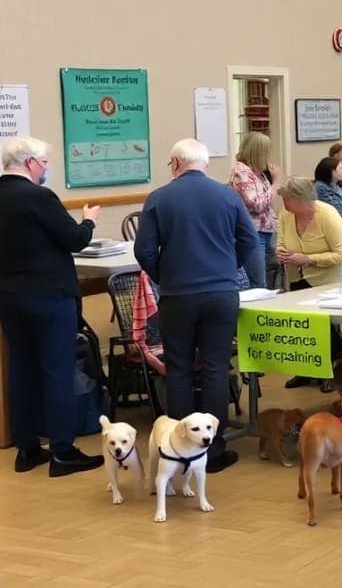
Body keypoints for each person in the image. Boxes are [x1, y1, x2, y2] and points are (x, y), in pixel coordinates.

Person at [135, 139, 258, 474]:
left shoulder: (159, 198)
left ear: (175, 163)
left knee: (179, 368)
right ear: (204, 162)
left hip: (178, 295)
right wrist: (226, 269)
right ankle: (213, 450)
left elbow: (143, 251)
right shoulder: (228, 196)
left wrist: (166, 276)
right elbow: (249, 239)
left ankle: (178, 450)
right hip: (221, 294)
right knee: (217, 368)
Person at [0, 137, 105, 477]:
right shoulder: (38, 197)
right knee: (57, 370)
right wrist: (88, 220)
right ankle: (62, 450)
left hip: (9, 296)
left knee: (21, 368)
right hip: (48, 295)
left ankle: (27, 447)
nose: (46, 168)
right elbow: (75, 239)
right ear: (30, 162)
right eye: (44, 162)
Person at [276, 177, 342, 391]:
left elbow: (340, 254)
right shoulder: (286, 215)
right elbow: (280, 242)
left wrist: (308, 259)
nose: (283, 203)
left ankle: (331, 369)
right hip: (296, 278)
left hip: (325, 281)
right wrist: (282, 254)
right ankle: (305, 370)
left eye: (287, 199)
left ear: (300, 199)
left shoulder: (327, 215)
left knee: (323, 326)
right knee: (301, 327)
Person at [229, 131, 281, 289]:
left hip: (266, 231)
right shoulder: (242, 174)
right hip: (252, 232)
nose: (268, 155)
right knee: (258, 282)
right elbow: (256, 204)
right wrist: (276, 183)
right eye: (266, 151)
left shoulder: (258, 174)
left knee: (270, 276)